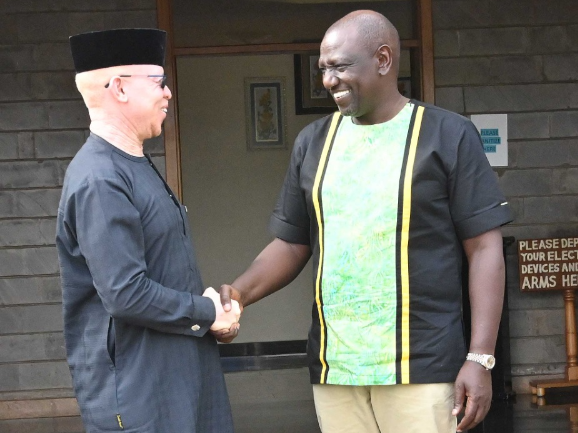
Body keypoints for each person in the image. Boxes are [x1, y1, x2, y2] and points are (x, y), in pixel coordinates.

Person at [215, 10, 512, 433]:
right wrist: (239, 293)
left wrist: (480, 357)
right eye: (323, 69)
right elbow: (293, 242)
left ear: (384, 60)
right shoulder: (313, 142)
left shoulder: (447, 135)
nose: (329, 80)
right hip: (336, 370)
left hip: (422, 367)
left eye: (340, 66)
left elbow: (485, 249)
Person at [56, 28, 239, 433]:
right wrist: (207, 312)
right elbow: (126, 293)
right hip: (142, 396)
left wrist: (210, 315)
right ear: (119, 88)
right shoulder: (100, 178)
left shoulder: (131, 163)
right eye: (158, 82)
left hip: (179, 380)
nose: (168, 93)